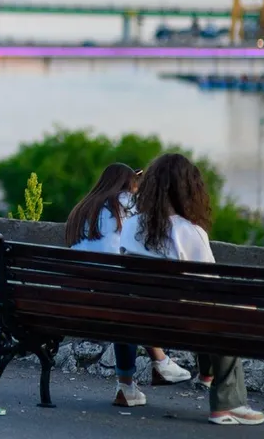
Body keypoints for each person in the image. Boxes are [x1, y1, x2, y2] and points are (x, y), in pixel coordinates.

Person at [119, 153, 264, 426]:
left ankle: (207, 375)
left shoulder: (130, 225)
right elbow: (211, 288)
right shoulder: (190, 232)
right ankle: (227, 404)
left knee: (207, 308)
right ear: (189, 189)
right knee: (233, 311)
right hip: (183, 322)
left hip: (140, 318)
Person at [64, 163, 191, 403]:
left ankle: (141, 378)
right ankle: (157, 364)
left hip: (75, 301)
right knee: (128, 305)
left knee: (123, 303)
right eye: (135, 183)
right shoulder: (123, 203)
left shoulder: (81, 210)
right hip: (112, 300)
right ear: (126, 184)